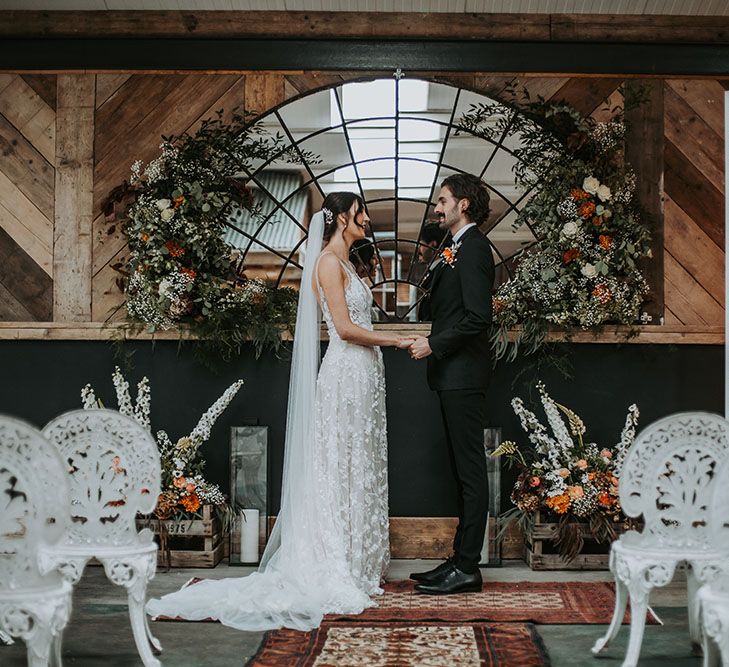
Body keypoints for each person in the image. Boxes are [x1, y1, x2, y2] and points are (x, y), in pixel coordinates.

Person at [146, 192, 413, 631]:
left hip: (364, 377)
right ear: (343, 218)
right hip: (345, 375)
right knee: (339, 465)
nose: (367, 219)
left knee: (358, 463)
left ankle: (359, 558)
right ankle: (336, 558)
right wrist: (397, 341)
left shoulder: (347, 263)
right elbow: (344, 329)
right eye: (361, 213)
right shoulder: (327, 263)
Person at [408, 173, 495, 595]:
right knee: (462, 472)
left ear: (463, 204)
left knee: (471, 473)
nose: (437, 208)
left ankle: (468, 567)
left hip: (463, 375)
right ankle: (459, 560)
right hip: (451, 376)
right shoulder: (454, 248)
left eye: (443, 200)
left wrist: (434, 345)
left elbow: (478, 317)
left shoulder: (475, 248)